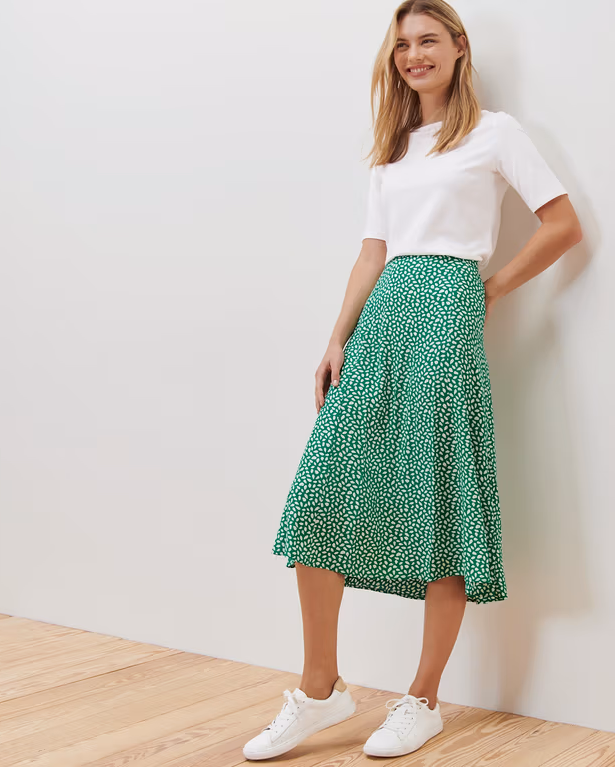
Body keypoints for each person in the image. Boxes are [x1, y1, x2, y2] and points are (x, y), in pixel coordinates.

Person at [244, 0, 582, 760]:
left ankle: (423, 699)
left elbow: (563, 225)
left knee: (439, 498)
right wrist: (336, 336)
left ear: (459, 47)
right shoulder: (393, 146)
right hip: (383, 316)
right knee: (321, 495)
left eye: (428, 40)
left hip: (448, 313)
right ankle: (321, 690)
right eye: (402, 45)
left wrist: (488, 288)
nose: (413, 55)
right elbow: (373, 250)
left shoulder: (496, 132)